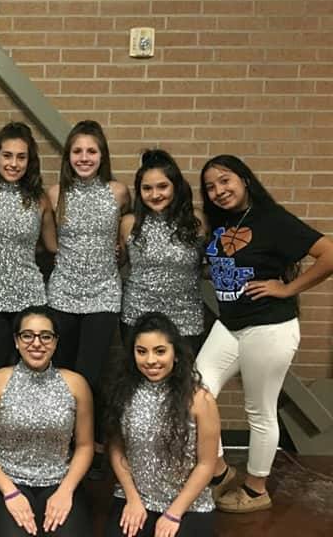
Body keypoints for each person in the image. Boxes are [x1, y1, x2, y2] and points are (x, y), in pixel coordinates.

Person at [197, 155, 333, 513]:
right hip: (230, 325)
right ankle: (219, 471)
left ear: (244, 179)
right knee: (194, 392)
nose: (218, 190)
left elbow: (329, 254)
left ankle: (257, 489)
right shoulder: (223, 222)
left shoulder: (271, 219)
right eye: (210, 187)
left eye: (225, 180)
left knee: (259, 410)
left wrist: (287, 289)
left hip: (269, 326)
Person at [46, 119, 130, 477]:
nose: (84, 157)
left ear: (102, 155)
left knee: (91, 374)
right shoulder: (56, 194)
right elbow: (50, 242)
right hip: (63, 292)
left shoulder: (118, 192)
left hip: (103, 293)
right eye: (77, 151)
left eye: (91, 151)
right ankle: (63, 444)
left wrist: (118, 252)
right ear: (68, 156)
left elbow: (125, 237)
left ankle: (92, 444)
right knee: (63, 373)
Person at [0, 306, 93, 537]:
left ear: (55, 342)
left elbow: (85, 445)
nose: (36, 343)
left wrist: (66, 491)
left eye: (45, 336)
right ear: (16, 341)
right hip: (8, 481)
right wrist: (10, 492)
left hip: (59, 480)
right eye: (27, 335)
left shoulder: (76, 384)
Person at [104, 312, 219, 537]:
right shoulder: (122, 394)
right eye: (141, 351)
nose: (150, 361)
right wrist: (132, 499)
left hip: (187, 503)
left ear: (175, 354)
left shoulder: (200, 400)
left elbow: (206, 464)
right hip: (137, 497)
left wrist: (173, 514)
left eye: (160, 351)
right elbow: (117, 449)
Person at [0, 122, 57, 375]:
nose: (14, 163)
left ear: (30, 161)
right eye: (7, 155)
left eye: (21, 157)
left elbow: (53, 246)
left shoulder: (39, 199)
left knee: (32, 375)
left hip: (30, 298)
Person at [119, 149, 207, 354]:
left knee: (184, 373)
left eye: (162, 186)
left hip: (187, 318)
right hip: (137, 316)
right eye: (147, 188)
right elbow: (119, 262)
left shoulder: (196, 220)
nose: (155, 194)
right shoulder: (129, 222)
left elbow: (209, 263)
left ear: (175, 186)